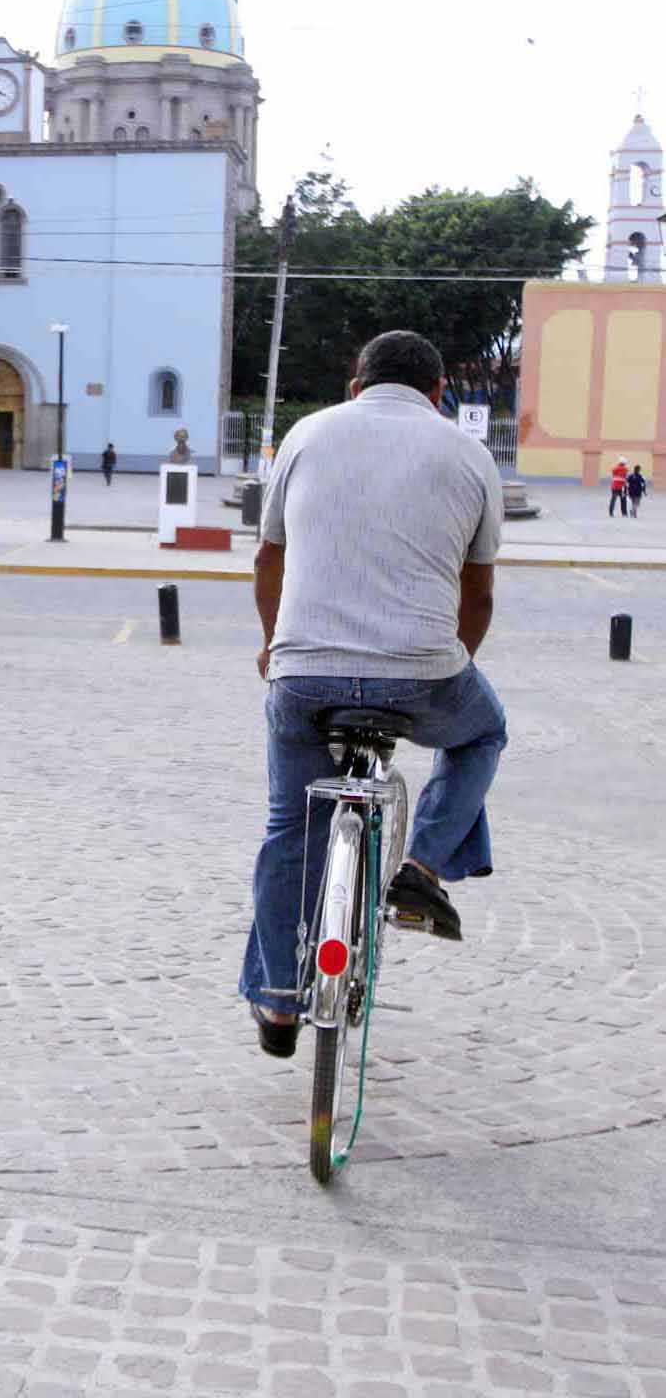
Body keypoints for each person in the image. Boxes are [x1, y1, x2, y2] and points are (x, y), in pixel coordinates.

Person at [240, 330, 507, 1059]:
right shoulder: (468, 452)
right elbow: (477, 593)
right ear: (439, 392)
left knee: (287, 828)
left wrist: (273, 647)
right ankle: (420, 871)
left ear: (356, 386)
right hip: (423, 671)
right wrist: (446, 668)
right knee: (479, 732)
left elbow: (269, 558)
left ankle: (277, 1002)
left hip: (303, 673)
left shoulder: (306, 433)